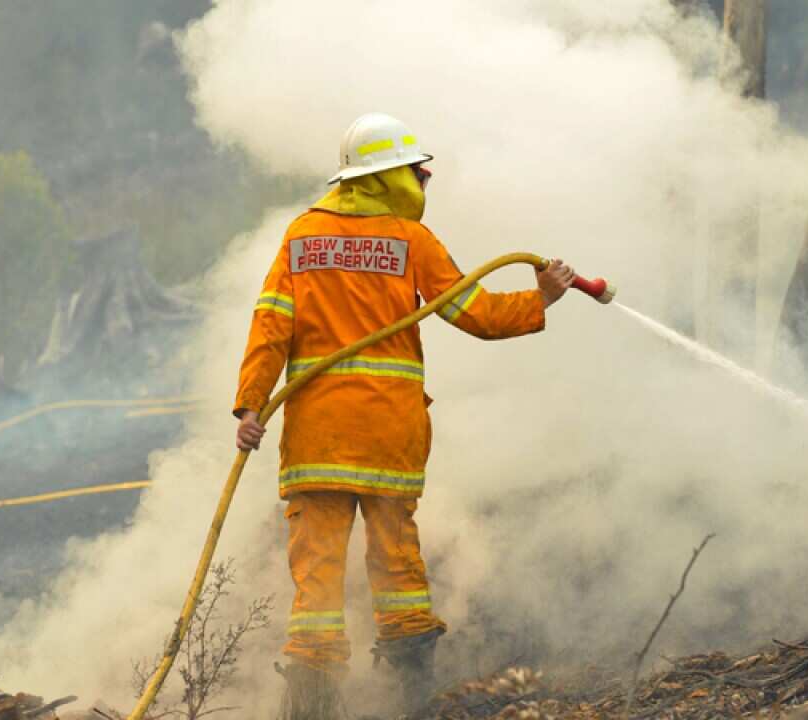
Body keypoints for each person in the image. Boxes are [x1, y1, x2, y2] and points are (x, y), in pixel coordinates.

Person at [233, 112, 575, 717]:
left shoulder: (300, 237)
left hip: (317, 440)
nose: (424, 185)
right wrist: (541, 298)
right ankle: (410, 702)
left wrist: (250, 406)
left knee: (316, 582)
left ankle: (309, 712)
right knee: (399, 572)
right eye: (418, 174)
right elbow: (479, 316)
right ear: (388, 177)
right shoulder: (411, 242)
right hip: (389, 440)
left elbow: (270, 327)